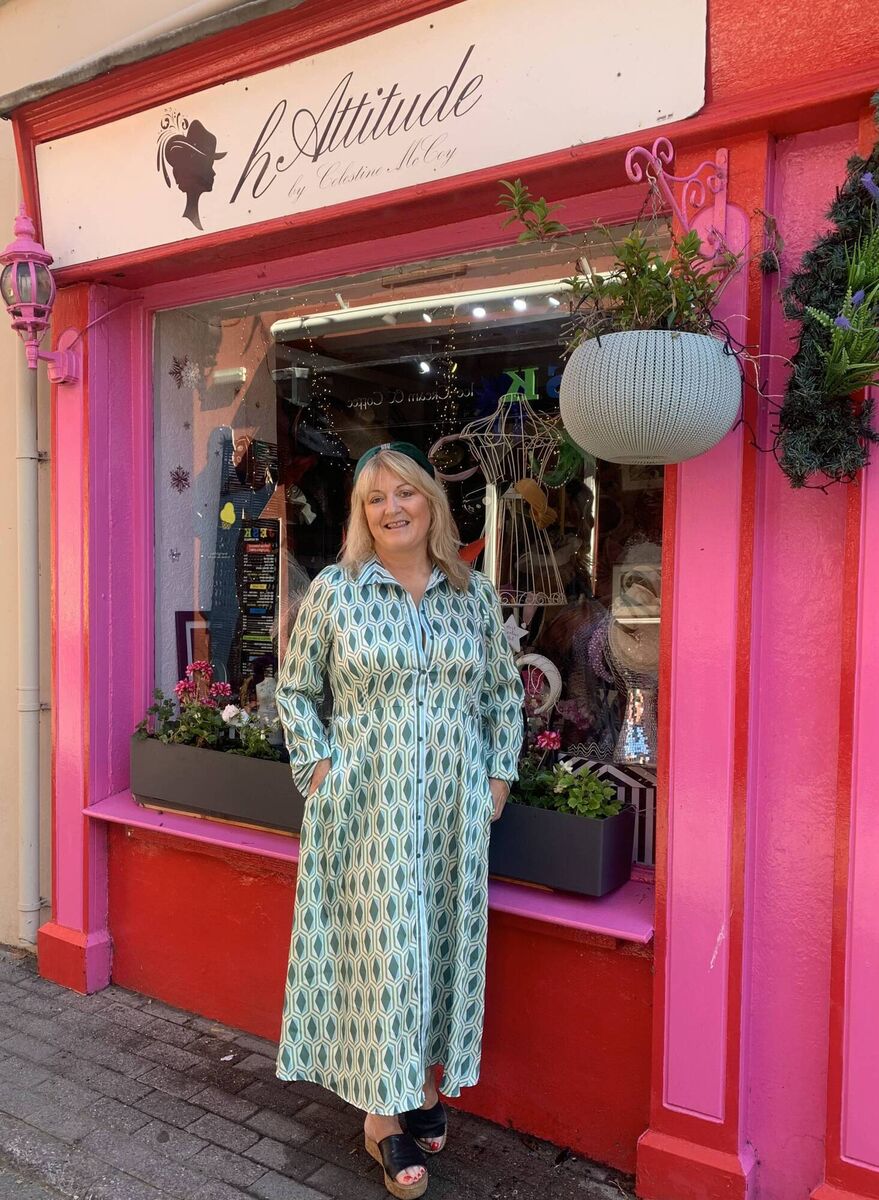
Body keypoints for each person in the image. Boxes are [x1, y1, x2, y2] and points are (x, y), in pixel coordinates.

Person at [275, 442, 524, 1198]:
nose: (392, 508)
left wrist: (497, 781)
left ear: (431, 504)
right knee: (382, 955)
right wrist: (319, 769)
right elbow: (294, 691)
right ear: (360, 514)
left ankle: (415, 1083)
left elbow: (502, 696)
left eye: (405, 494)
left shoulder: (471, 594)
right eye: (374, 498)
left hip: (452, 809)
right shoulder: (334, 592)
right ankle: (383, 1116)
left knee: (433, 948)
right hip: (364, 810)